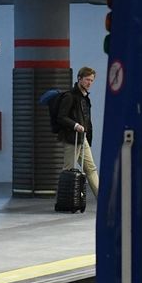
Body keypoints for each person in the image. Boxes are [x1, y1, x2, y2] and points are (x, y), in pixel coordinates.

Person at [54, 66, 100, 196]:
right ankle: (64, 200)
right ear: (79, 79)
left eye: (91, 80)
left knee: (91, 168)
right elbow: (61, 117)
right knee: (68, 170)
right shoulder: (70, 96)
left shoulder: (84, 97)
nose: (89, 83)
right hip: (71, 138)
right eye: (87, 80)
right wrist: (75, 125)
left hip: (82, 138)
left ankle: (103, 201)